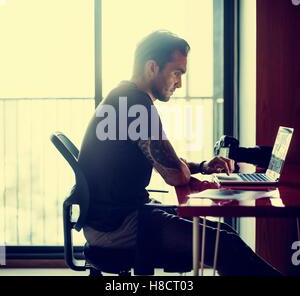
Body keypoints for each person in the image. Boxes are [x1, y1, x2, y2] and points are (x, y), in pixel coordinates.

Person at [78, 30, 281, 276]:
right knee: (226, 247)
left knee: (226, 236)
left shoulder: (124, 97)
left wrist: (203, 166)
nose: (179, 83)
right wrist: (185, 170)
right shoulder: (135, 104)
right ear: (152, 67)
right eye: (177, 73)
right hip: (117, 226)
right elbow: (175, 175)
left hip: (113, 218)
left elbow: (164, 160)